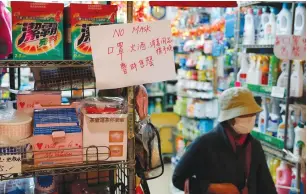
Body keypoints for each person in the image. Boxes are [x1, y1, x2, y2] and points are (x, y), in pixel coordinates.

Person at [172, 87, 277, 194]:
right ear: (230, 118)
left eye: (252, 114)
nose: (251, 118)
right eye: (245, 114)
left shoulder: (254, 146)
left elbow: (267, 186)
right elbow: (178, 179)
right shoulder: (204, 144)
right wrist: (211, 187)